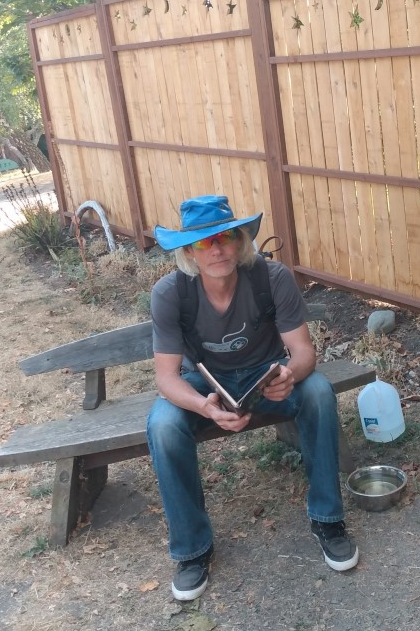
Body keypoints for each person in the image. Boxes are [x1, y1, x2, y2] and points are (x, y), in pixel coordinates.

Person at [147, 195, 359, 601]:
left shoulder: (271, 277)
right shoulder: (170, 293)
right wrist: (203, 406)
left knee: (318, 392)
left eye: (226, 237)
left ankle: (328, 520)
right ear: (189, 252)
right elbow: (167, 378)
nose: (217, 249)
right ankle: (192, 551)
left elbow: (303, 352)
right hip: (204, 382)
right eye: (204, 242)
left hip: (265, 376)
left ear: (241, 240)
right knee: (163, 426)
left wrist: (289, 374)